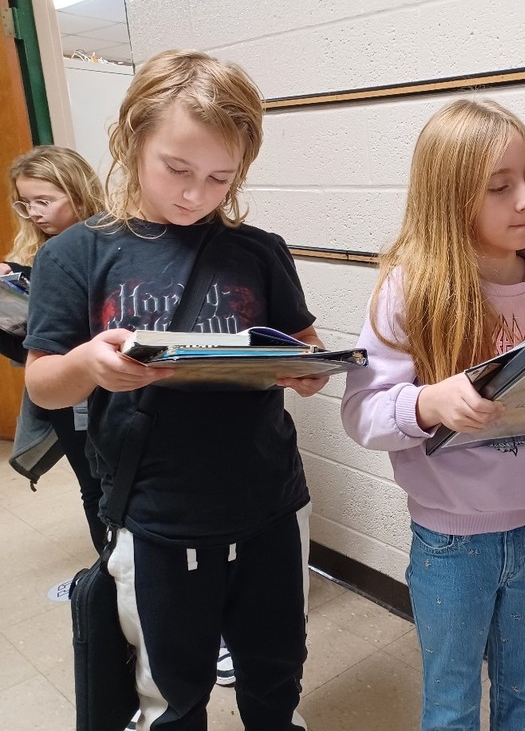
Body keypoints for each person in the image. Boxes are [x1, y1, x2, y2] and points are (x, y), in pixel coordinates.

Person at [23, 49, 326, 729]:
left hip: (270, 502)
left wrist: (309, 367)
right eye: (177, 169)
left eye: (221, 177)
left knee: (276, 672)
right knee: (172, 688)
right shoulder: (78, 254)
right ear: (132, 139)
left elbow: (302, 344)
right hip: (156, 515)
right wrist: (92, 366)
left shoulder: (258, 251)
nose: (196, 194)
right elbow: (43, 385)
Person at [341, 98, 525, 731]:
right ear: (449, 198)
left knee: (524, 692)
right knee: (451, 703)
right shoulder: (411, 291)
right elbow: (362, 413)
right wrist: (427, 401)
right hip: (450, 540)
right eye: (500, 187)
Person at [5, 145, 107, 553]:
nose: (34, 213)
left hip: (105, 384)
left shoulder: (107, 247)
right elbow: (27, 348)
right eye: (25, 203)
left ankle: (117, 576)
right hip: (61, 389)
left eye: (44, 201)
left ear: (79, 194)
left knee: (105, 483)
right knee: (90, 482)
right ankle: (107, 574)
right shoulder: (36, 255)